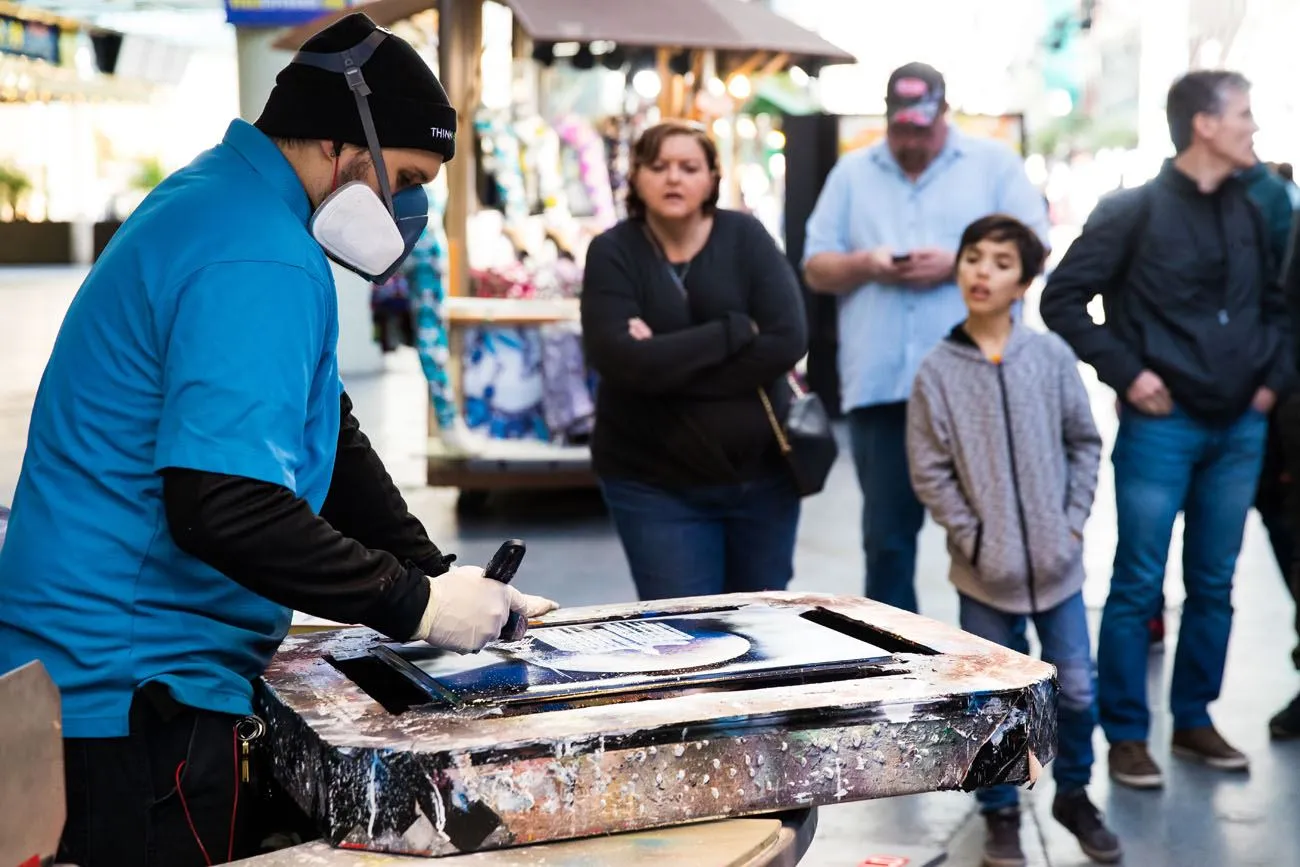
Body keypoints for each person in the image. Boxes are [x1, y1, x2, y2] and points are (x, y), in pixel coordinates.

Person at [0, 14, 557, 867]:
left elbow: (325, 427)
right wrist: (415, 604)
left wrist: (437, 570)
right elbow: (223, 505)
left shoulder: (221, 202)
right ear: (345, 146)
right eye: (405, 178)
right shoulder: (258, 254)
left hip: (103, 667)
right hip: (136, 689)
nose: (407, 210)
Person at [1041, 70, 1292, 789]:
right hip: (1162, 426)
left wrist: (1269, 386)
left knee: (1214, 582)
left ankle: (1193, 721)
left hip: (1241, 424)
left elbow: (1277, 306)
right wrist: (1129, 373)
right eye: (1243, 113)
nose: (1252, 126)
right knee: (1138, 583)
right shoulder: (1131, 210)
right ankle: (1126, 736)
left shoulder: (1254, 209)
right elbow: (1063, 298)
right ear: (1204, 125)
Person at [907, 214, 1118, 866]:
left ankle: (1075, 793)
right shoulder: (938, 370)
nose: (981, 271)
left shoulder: (1050, 357)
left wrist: (1073, 521)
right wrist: (971, 537)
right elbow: (929, 468)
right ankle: (1000, 812)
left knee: (1077, 689)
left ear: (1024, 281)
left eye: (1000, 262)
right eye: (972, 257)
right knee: (995, 701)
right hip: (983, 576)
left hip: (1058, 568)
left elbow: (1084, 442)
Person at [802, 62, 1049, 614]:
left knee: (991, 537)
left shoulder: (993, 166)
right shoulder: (852, 173)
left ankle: (990, 669)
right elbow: (815, 268)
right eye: (902, 129)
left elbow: (1038, 252)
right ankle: (902, 673)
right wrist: (867, 264)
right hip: (882, 389)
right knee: (886, 542)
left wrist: (958, 264)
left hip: (980, 386)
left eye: (922, 128)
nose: (911, 140)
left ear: (944, 114)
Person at [581, 120, 807, 600]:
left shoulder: (746, 237)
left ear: (711, 179)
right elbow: (617, 359)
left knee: (765, 628)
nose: (673, 179)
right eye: (658, 166)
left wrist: (661, 360)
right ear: (636, 177)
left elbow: (788, 339)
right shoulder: (612, 252)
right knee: (684, 636)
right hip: (653, 483)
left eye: (689, 167)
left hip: (762, 480)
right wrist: (733, 332)